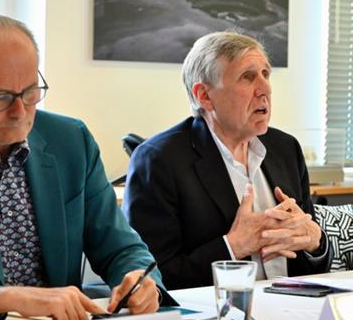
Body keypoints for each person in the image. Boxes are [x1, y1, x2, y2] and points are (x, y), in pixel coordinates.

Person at [0, 15, 162, 320]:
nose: (20, 111)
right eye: (1, 98)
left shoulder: (70, 141)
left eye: (30, 92)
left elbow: (120, 248)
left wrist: (140, 281)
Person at [124, 32, 330, 290]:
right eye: (247, 77)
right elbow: (150, 278)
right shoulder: (159, 160)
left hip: (294, 306)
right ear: (204, 96)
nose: (265, 89)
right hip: (213, 311)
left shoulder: (286, 149)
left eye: (265, 74)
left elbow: (313, 265)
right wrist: (233, 246)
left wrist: (315, 242)